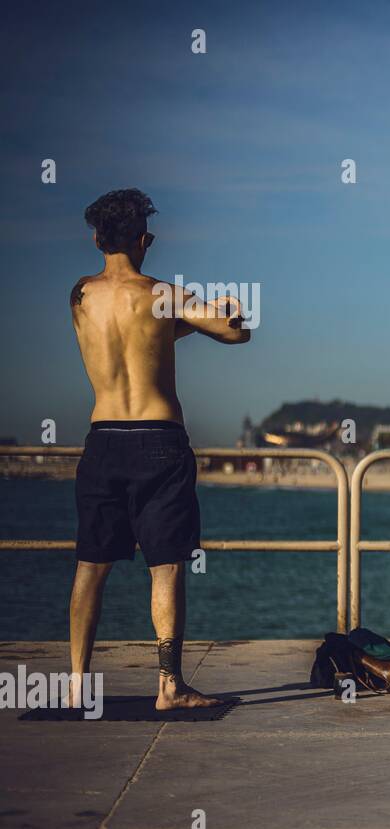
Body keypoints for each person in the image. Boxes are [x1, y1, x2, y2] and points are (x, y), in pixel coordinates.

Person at [68, 189, 251, 710]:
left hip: (103, 440)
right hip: (159, 441)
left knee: (90, 565)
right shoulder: (166, 295)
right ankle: (169, 686)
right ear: (144, 239)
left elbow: (133, 340)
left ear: (97, 238)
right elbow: (237, 335)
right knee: (166, 563)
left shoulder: (79, 294)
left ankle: (79, 686)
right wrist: (228, 310)